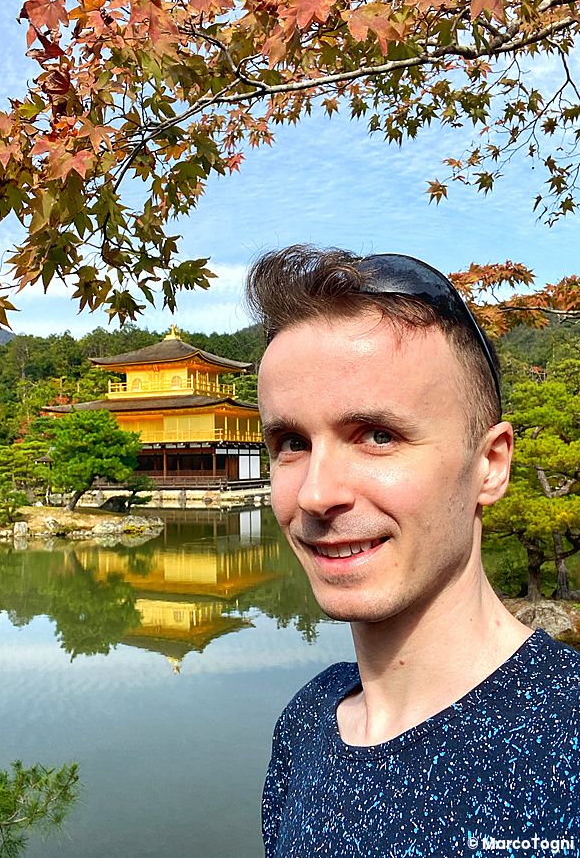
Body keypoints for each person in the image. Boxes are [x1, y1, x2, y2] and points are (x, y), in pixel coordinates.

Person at [245, 247, 580, 858]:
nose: (317, 494)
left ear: (489, 465)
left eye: (378, 435)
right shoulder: (308, 723)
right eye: (291, 442)